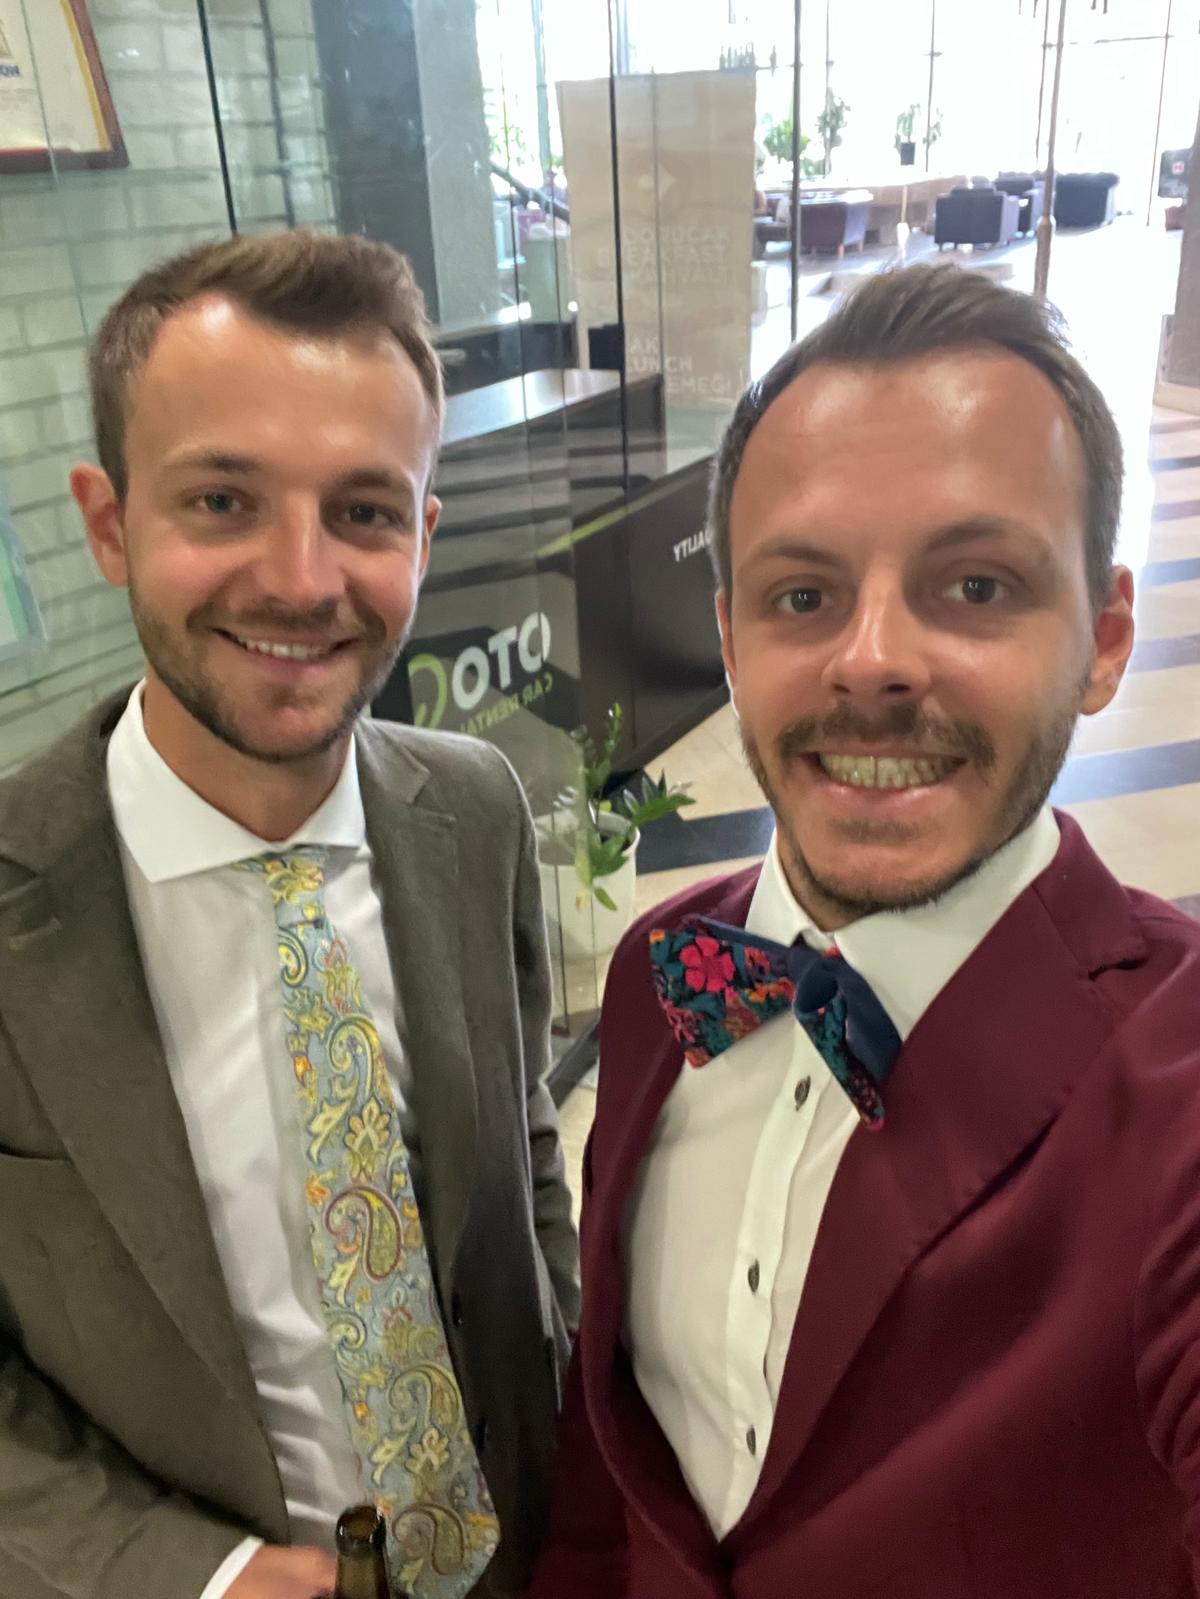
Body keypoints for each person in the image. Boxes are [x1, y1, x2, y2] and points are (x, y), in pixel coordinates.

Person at [531, 263, 1200, 1598]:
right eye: (803, 596)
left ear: (1105, 638)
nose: (873, 659)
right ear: (729, 641)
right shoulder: (664, 973)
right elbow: (615, 1469)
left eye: (977, 586)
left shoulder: (1174, 1090)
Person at [0, 231, 579, 1599]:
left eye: (365, 511)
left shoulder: (475, 810)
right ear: (108, 523)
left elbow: (523, 1145)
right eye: (221, 501)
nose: (303, 580)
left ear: (422, 536)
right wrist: (189, 1576)